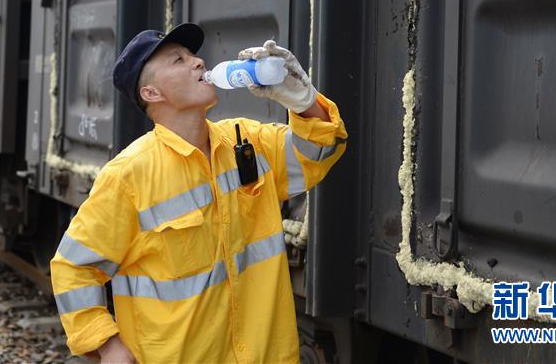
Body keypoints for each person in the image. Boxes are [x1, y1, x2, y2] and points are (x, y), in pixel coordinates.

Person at [50, 23, 347, 363]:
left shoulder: (247, 143)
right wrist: (107, 344)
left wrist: (303, 100)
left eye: (193, 55)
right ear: (152, 93)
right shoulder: (129, 176)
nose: (198, 63)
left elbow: (320, 150)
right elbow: (73, 267)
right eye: (178, 60)